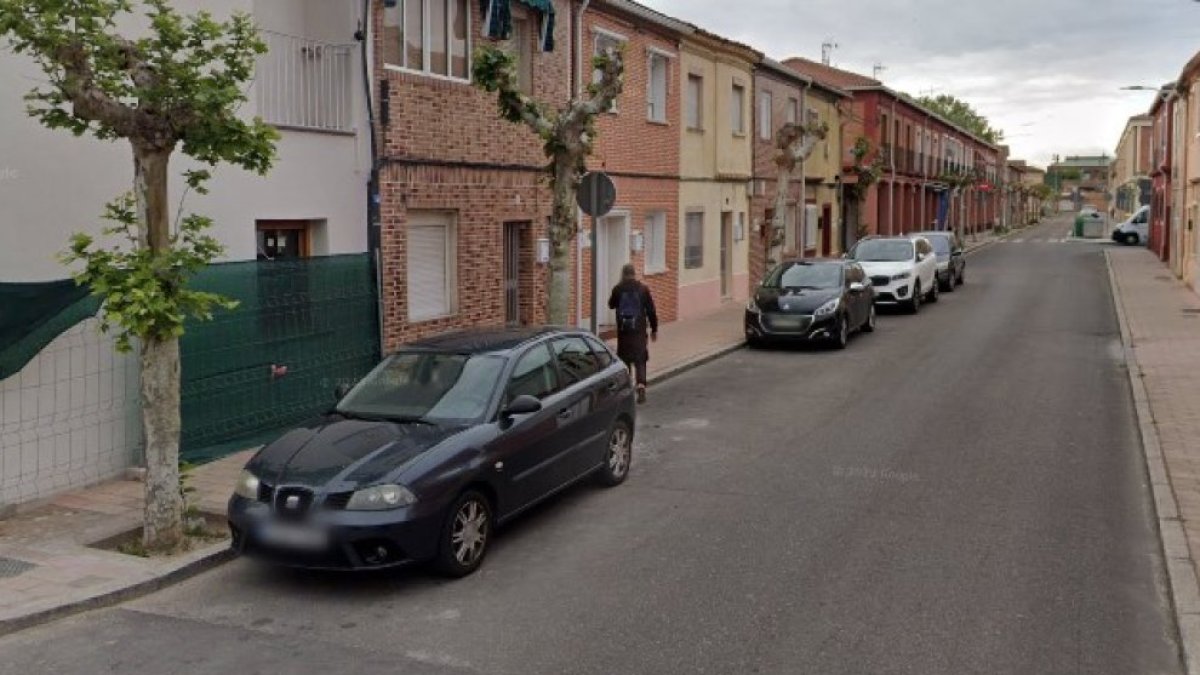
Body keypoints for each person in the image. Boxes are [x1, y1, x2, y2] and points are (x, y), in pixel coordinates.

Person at [608, 263, 657, 404]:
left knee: (625, 360)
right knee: (640, 359)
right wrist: (654, 329)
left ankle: (627, 390)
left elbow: (611, 304)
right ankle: (641, 386)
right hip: (639, 331)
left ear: (623, 274)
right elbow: (651, 311)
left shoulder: (618, 289)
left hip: (624, 332)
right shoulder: (643, 289)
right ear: (634, 273)